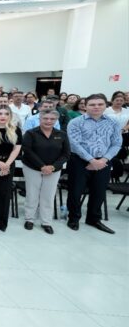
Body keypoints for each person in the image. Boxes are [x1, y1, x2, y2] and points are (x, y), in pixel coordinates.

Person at [66, 94, 122, 234]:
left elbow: (116, 143)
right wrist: (92, 160)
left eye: (100, 104)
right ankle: (73, 218)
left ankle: (94, 219)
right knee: (75, 191)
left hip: (104, 161)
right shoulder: (76, 122)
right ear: (85, 106)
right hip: (79, 161)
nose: (96, 107)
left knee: (99, 191)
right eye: (92, 104)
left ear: (105, 105)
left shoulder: (113, 122)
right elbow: (74, 144)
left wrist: (103, 160)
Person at [21, 109, 70, 234]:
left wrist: (52, 167)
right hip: (32, 168)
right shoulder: (31, 133)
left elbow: (66, 154)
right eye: (45, 118)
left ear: (56, 120)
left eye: (52, 119)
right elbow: (27, 151)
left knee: (48, 196)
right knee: (32, 194)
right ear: (40, 119)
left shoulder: (62, 134)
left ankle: (46, 222)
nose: (49, 121)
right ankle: (29, 219)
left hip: (53, 170)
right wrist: (42, 166)